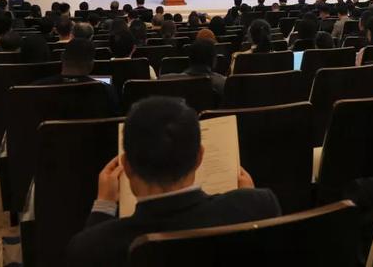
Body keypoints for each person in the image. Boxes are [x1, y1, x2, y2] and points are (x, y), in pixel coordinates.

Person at [66, 97, 280, 267]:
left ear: (126, 166)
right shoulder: (259, 206)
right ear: (199, 157)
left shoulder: (90, 247)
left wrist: (103, 205)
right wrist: (248, 198)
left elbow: (90, 250)